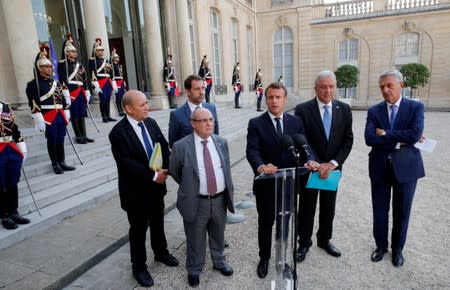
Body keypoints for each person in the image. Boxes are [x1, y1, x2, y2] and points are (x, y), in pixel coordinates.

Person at [109, 90, 179, 287]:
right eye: (142, 105)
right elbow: (126, 163)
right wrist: (153, 176)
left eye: (147, 103)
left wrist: (168, 168)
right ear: (128, 108)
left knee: (158, 221)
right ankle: (139, 267)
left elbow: (163, 146)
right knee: (138, 230)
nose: (147, 107)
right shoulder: (118, 133)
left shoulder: (150, 122)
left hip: (157, 188)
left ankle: (161, 252)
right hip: (135, 192)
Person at [246, 82, 313, 279]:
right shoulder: (255, 123)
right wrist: (261, 166)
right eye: (270, 97)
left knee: (285, 223)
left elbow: (303, 146)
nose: (274, 101)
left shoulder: (296, 122)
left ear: (285, 99)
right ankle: (264, 257)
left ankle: (283, 258)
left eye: (278, 97)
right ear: (266, 99)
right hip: (266, 184)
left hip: (289, 185)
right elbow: (252, 150)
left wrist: (309, 160)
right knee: (266, 223)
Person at [364, 69, 425, 267]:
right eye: (382, 87)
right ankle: (381, 247)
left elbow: (415, 134)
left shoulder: (415, 107)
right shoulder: (374, 111)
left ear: (402, 85)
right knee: (380, 211)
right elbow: (369, 138)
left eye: (389, 85)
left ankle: (398, 250)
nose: (385, 90)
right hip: (380, 167)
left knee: (402, 211)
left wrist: (386, 134)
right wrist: (399, 139)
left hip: (406, 168)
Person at [169, 107, 235, 287]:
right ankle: (194, 269)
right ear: (193, 124)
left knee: (218, 234)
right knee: (195, 238)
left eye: (211, 119)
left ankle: (219, 261)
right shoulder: (181, 146)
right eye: (203, 120)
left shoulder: (221, 142)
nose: (208, 123)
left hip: (220, 199)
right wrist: (191, 188)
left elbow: (226, 168)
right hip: (196, 201)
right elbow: (175, 172)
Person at [294, 70, 354, 262]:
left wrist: (333, 163)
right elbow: (301, 139)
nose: (327, 90)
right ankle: (304, 242)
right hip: (312, 168)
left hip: (333, 170)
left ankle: (324, 239)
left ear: (334, 87)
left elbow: (348, 139)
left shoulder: (344, 109)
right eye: (323, 86)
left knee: (329, 206)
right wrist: (316, 163)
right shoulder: (303, 109)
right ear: (316, 88)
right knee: (307, 207)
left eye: (331, 86)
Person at [26, 46, 75, 174]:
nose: (50, 68)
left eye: (50, 67)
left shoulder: (56, 83)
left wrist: (66, 112)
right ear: (39, 68)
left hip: (59, 114)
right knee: (52, 139)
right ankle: (55, 163)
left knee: (61, 138)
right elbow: (33, 103)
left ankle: (62, 161)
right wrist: (39, 119)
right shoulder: (33, 84)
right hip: (48, 116)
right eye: (46, 67)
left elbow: (62, 100)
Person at [58, 34, 94, 144]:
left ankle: (84, 134)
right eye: (72, 52)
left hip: (81, 91)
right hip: (72, 91)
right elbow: (63, 79)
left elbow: (85, 78)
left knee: (81, 114)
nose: (75, 53)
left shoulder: (80, 65)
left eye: (75, 52)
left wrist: (87, 90)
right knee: (75, 115)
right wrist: (66, 94)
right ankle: (78, 136)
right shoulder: (62, 64)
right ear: (67, 53)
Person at [0, 102, 30, 230]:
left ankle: (14, 211)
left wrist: (22, 149)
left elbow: (14, 129)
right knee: (0, 184)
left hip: (10, 149)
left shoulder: (4, 107)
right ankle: (4, 215)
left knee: (12, 182)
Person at [168, 75, 219, 148]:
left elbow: (216, 135)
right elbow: (173, 144)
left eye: (203, 88)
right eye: (197, 89)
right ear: (188, 91)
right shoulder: (177, 115)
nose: (201, 92)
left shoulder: (211, 108)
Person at [89, 38, 116, 123]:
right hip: (101, 81)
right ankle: (103, 116)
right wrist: (95, 82)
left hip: (107, 81)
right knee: (103, 99)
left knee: (108, 98)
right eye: (99, 50)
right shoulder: (93, 60)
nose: (101, 52)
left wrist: (112, 80)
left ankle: (108, 115)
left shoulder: (106, 60)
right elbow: (92, 70)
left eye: (102, 50)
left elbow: (110, 71)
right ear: (96, 52)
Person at [111, 48, 127, 116]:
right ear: (114, 58)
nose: (118, 58)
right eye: (116, 57)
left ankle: (122, 110)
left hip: (121, 81)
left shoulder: (119, 65)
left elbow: (122, 74)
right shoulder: (112, 65)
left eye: (118, 57)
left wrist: (123, 81)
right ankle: (119, 111)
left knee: (122, 97)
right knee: (118, 97)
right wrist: (112, 54)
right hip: (117, 82)